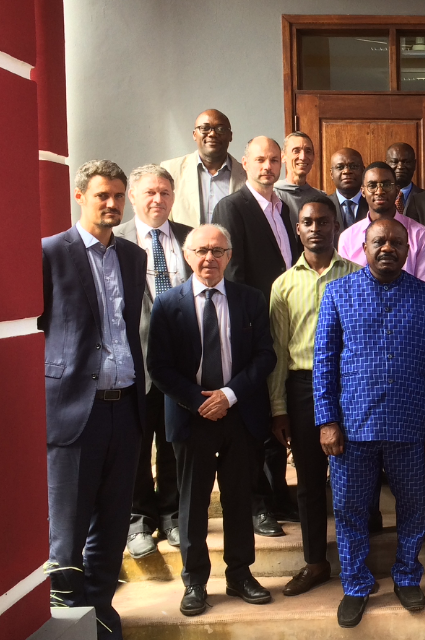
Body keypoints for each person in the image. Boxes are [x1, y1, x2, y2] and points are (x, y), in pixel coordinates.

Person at [314, 217, 425, 628]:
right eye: (379, 241)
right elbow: (323, 363)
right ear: (364, 246)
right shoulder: (337, 292)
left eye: (395, 242)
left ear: (408, 249)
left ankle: (407, 575)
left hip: (411, 425)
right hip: (352, 427)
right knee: (351, 508)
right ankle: (356, 583)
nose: (387, 248)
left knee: (414, 506)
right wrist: (327, 420)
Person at [148, 223, 278, 617]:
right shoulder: (167, 305)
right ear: (187, 256)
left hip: (239, 416)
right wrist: (200, 401)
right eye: (201, 251)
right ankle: (195, 583)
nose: (209, 258)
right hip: (191, 418)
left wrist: (229, 395)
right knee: (192, 504)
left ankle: (240, 575)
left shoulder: (250, 300)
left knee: (239, 498)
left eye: (218, 251)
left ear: (229, 257)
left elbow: (265, 356)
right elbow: (159, 366)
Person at [41, 160, 147, 639]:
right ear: (80, 196)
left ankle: (103, 608)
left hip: (124, 405)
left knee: (113, 516)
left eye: (118, 196)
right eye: (103, 195)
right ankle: (70, 616)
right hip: (73, 407)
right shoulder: (50, 253)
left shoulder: (131, 255)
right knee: (68, 523)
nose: (112, 204)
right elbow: (39, 327)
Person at [268, 200, 361, 597]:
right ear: (297, 230)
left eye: (324, 221)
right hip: (302, 388)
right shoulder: (284, 285)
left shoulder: (359, 276)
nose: (316, 228)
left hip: (351, 386)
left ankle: (358, 558)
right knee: (308, 482)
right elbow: (277, 351)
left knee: (354, 477)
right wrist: (278, 408)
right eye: (307, 222)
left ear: (336, 227)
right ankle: (315, 562)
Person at [214, 135, 303, 537]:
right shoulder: (233, 206)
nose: (268, 166)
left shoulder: (284, 208)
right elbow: (232, 274)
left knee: (273, 416)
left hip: (284, 324)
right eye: (259, 160)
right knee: (251, 421)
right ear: (245, 163)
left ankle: (280, 494)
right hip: (253, 327)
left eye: (273, 160)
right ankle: (257, 503)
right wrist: (248, 327)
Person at [113, 164, 191, 559]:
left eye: (164, 192)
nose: (157, 199)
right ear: (133, 196)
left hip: (181, 367)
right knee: (137, 447)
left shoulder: (190, 238)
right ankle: (138, 520)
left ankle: (173, 516)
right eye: (149, 192)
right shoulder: (116, 239)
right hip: (133, 365)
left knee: (175, 443)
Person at [338, 162, 425, 285]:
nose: (379, 191)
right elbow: (345, 288)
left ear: (396, 190)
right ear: (363, 192)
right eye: (372, 185)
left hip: (409, 303)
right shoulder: (348, 238)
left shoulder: (419, 234)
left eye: (386, 185)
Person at [161, 109, 246, 227]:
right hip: (183, 245)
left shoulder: (247, 175)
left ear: (230, 136)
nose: (212, 134)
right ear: (194, 135)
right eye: (205, 128)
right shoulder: (170, 170)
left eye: (221, 129)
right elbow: (161, 219)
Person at [275, 131, 325, 227]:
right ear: (283, 157)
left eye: (308, 151)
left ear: (313, 158)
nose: (303, 157)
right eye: (296, 151)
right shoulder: (272, 196)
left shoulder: (320, 198)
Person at [329, 148, 366, 231]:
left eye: (353, 166)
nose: (347, 171)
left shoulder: (373, 204)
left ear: (363, 171)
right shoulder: (323, 206)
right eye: (340, 167)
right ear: (331, 174)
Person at [386, 142, 422, 215]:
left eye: (406, 162)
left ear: (414, 164)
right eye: (394, 162)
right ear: (386, 164)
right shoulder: (377, 197)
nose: (400, 167)